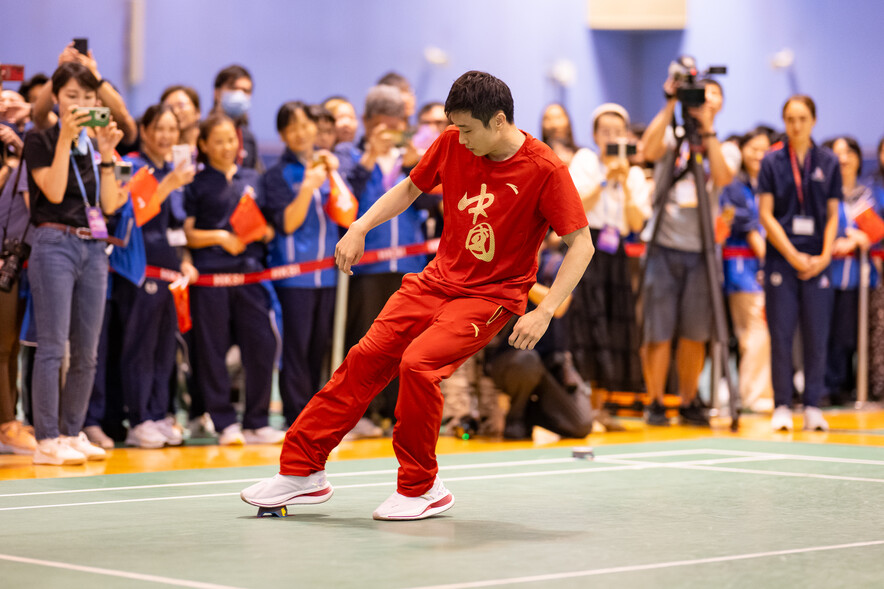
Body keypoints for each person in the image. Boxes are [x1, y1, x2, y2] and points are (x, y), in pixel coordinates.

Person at [240, 70, 593, 521]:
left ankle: (421, 487)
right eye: (456, 128)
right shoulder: (451, 143)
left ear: (499, 121)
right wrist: (360, 226)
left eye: (467, 130)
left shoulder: (545, 169)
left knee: (419, 365)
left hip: (490, 297)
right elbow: (410, 188)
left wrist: (545, 311)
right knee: (364, 359)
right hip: (435, 281)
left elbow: (581, 243)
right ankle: (302, 471)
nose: (459, 139)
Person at [23, 62, 127, 465]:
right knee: (53, 347)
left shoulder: (94, 144)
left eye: (87, 98)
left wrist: (104, 154)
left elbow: (110, 203)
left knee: (88, 352)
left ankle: (71, 431)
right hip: (53, 243)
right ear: (55, 99)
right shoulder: (40, 140)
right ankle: (47, 439)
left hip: (93, 247)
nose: (80, 105)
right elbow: (51, 189)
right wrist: (66, 139)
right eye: (71, 97)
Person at [640, 71, 739, 426]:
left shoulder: (725, 146)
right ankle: (654, 401)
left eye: (711, 94)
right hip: (663, 246)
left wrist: (707, 127)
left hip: (702, 251)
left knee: (694, 332)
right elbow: (647, 151)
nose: (704, 100)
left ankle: (688, 399)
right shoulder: (671, 135)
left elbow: (724, 177)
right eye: (698, 94)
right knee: (658, 330)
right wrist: (670, 103)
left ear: (721, 103)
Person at [183, 114, 282, 445]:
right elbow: (188, 234)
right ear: (204, 145)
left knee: (262, 345)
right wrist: (220, 238)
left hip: (251, 277)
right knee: (211, 351)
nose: (227, 147)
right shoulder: (196, 183)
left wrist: (259, 231)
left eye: (231, 140)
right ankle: (224, 422)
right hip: (210, 279)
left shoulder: (254, 178)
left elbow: (269, 228)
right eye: (219, 140)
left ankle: (257, 421)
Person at [342, 85, 427, 438]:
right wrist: (368, 157)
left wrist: (415, 161)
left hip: (409, 266)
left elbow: (430, 205)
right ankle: (359, 413)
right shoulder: (349, 156)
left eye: (397, 124)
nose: (389, 131)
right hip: (368, 266)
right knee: (365, 341)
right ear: (366, 122)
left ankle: (397, 414)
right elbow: (345, 202)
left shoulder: (413, 160)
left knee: (405, 343)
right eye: (381, 124)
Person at [758, 95, 840, 432]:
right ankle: (781, 405)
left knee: (817, 336)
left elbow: (834, 215)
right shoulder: (772, 161)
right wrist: (791, 254)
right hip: (782, 259)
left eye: (802, 118)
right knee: (781, 334)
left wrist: (824, 256)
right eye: (790, 119)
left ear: (814, 121)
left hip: (818, 260)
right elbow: (765, 213)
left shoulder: (829, 161)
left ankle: (812, 406)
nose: (796, 125)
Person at [567, 103, 650, 431]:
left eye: (618, 132)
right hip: (586, 246)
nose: (612, 138)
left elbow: (635, 223)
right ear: (595, 135)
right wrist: (605, 181)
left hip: (617, 254)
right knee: (588, 323)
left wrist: (625, 181)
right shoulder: (585, 161)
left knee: (615, 326)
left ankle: (602, 408)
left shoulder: (632, 171)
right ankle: (584, 407)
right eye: (606, 132)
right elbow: (574, 207)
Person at [118, 104, 197, 448]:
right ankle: (138, 419)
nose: (166, 136)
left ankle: (159, 413)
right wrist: (168, 184)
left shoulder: (175, 173)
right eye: (159, 128)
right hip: (140, 271)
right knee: (141, 347)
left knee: (166, 347)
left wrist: (186, 260)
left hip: (170, 272)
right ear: (145, 130)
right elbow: (132, 213)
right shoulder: (133, 166)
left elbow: (177, 227)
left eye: (172, 130)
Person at [261, 102, 341, 426]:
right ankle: (299, 419)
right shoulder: (277, 175)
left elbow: (346, 211)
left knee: (318, 350)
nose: (299, 133)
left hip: (328, 277)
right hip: (293, 277)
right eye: (290, 127)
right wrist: (308, 186)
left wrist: (331, 176)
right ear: (282, 135)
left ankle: (317, 416)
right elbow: (288, 224)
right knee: (295, 350)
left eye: (304, 124)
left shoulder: (329, 167)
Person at [719, 128, 775, 413]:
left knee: (761, 332)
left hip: (761, 270)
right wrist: (772, 263)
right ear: (742, 151)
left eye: (764, 149)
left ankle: (760, 392)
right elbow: (750, 229)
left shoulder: (765, 185)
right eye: (753, 148)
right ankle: (753, 395)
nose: (758, 154)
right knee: (753, 332)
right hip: (742, 272)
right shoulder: (733, 187)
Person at [824, 136, 877, 405]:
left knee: (848, 335)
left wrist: (858, 240)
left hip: (855, 279)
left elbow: (875, 233)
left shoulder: (865, 195)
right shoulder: (822, 193)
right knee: (822, 332)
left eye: (849, 153)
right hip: (822, 275)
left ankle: (844, 385)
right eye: (837, 153)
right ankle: (823, 387)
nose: (843, 159)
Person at [210, 65, 261, 171]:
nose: (239, 94)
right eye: (233, 88)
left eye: (245, 91)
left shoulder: (248, 137)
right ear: (217, 93)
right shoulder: (202, 133)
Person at [161, 85, 201, 149]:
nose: (176, 111)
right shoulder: (160, 150)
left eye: (181, 105)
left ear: (197, 112)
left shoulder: (208, 143)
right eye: (170, 107)